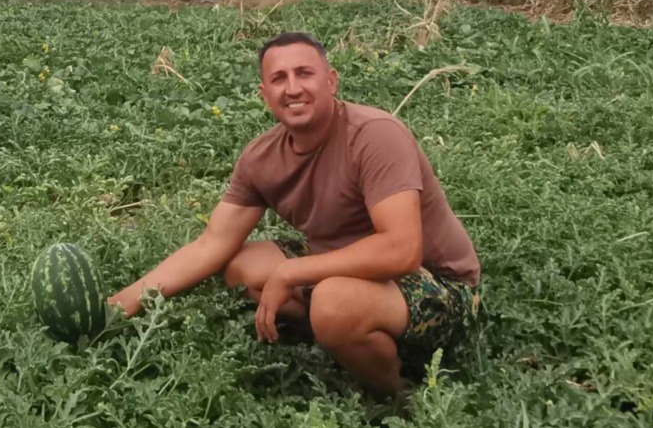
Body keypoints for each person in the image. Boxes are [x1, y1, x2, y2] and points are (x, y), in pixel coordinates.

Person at [109, 31, 482, 397]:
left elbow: (402, 251)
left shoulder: (375, 135)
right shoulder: (262, 157)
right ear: (264, 95)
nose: (293, 88)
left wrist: (291, 272)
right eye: (278, 79)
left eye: (305, 73)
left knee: (333, 302)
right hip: (346, 268)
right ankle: (343, 334)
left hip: (441, 284)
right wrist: (119, 305)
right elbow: (211, 244)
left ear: (331, 81)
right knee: (242, 267)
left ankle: (397, 396)